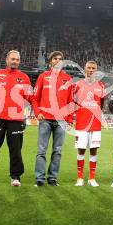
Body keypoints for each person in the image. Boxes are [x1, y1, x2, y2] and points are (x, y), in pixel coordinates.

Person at [0, 50, 32, 187]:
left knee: (16, 149)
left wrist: (24, 116)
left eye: (17, 59)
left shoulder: (25, 78)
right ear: (7, 59)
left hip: (16, 119)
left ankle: (16, 177)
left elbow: (29, 99)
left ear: (19, 61)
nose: (15, 61)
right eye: (12, 59)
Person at [32, 51, 74, 187]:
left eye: (60, 59)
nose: (58, 61)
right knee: (41, 150)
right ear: (50, 62)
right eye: (55, 58)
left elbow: (70, 101)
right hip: (45, 119)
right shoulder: (43, 77)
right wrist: (37, 112)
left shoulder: (67, 79)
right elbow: (35, 98)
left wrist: (69, 119)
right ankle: (39, 178)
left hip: (61, 121)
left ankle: (52, 178)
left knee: (57, 151)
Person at [73, 60, 105, 187]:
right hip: (81, 124)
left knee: (93, 151)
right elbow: (74, 102)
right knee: (81, 150)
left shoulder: (101, 86)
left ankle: (92, 178)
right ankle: (80, 178)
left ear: (96, 70)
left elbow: (101, 104)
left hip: (95, 125)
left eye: (93, 68)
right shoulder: (78, 85)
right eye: (89, 68)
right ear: (84, 69)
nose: (91, 70)